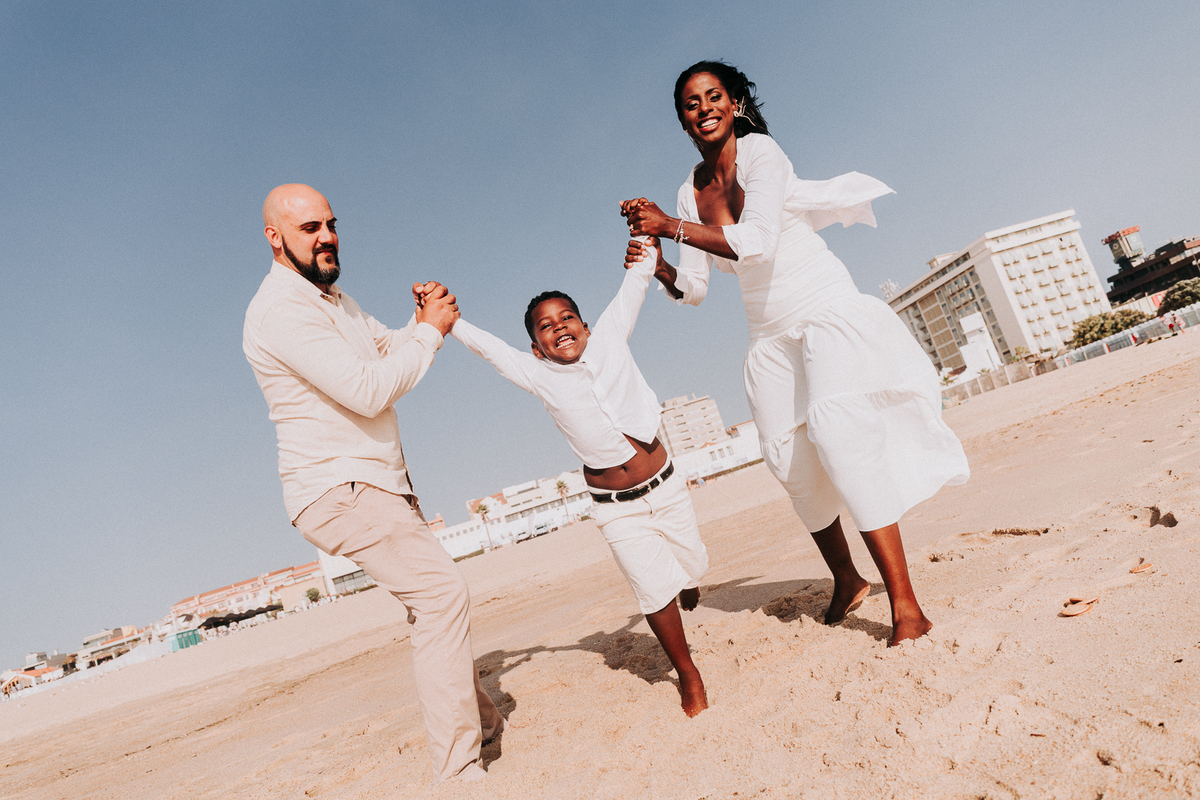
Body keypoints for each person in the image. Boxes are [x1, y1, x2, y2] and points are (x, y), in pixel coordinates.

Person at [621, 61, 970, 646]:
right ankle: (847, 579)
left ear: (733, 105)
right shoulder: (690, 189)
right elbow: (699, 288)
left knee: (842, 439)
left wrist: (668, 225)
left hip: (821, 307)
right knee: (789, 461)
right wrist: (660, 264)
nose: (703, 108)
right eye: (690, 103)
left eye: (713, 97)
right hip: (767, 332)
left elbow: (755, 242)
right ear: (681, 120)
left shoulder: (763, 156)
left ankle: (907, 605)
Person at [242, 184, 504, 783]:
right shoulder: (281, 310)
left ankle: (483, 721)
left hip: (374, 484)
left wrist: (419, 320)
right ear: (274, 237)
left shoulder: (336, 302)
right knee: (441, 597)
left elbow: (387, 347)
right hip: (340, 487)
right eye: (310, 228)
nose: (328, 236)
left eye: (331, 224)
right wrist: (433, 332)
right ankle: (459, 769)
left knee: (431, 603)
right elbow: (367, 390)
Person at [437, 242, 710, 716]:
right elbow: (492, 350)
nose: (558, 327)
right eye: (546, 327)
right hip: (616, 507)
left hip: (665, 485)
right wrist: (448, 317)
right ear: (536, 347)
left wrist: (644, 237)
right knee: (651, 587)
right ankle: (688, 673)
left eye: (566, 319)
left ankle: (685, 579)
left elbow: (635, 283)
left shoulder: (608, 337)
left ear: (584, 326)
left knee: (693, 565)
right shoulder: (538, 375)